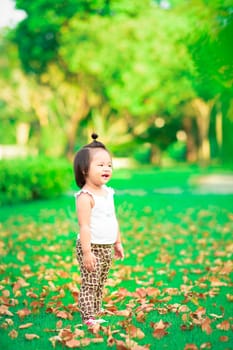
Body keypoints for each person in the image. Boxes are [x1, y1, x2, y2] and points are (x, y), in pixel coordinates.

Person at [73, 133, 124, 326]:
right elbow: (84, 226)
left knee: (101, 281)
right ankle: (88, 317)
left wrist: (117, 242)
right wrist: (86, 252)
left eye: (109, 164)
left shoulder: (108, 192)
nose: (106, 168)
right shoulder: (85, 197)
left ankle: (96, 309)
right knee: (90, 282)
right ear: (85, 169)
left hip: (106, 246)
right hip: (91, 247)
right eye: (100, 165)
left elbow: (113, 218)